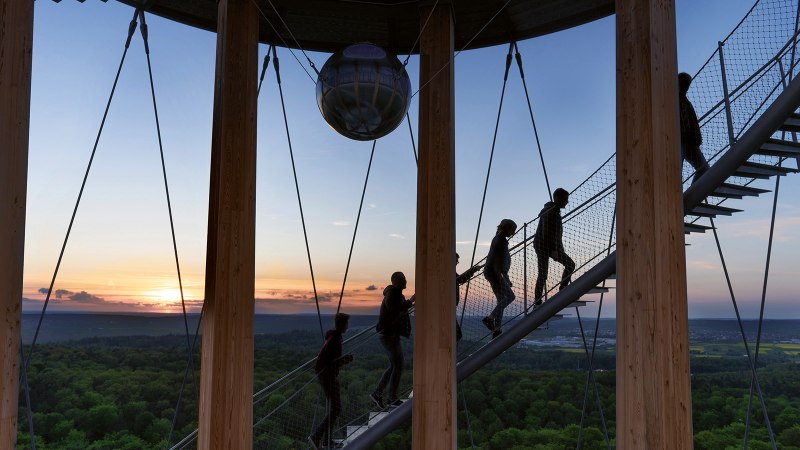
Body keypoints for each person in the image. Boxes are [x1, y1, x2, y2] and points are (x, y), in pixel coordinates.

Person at [308, 313, 354, 450]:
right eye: (347, 323)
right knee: (336, 408)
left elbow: (328, 359)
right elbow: (332, 363)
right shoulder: (335, 340)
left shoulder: (332, 337)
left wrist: (342, 360)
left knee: (333, 408)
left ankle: (327, 441)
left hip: (325, 375)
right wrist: (346, 360)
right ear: (343, 324)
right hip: (327, 376)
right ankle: (316, 436)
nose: (348, 326)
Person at [371, 272, 414, 409]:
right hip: (388, 336)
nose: (405, 280)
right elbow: (394, 309)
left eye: (404, 278)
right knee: (398, 365)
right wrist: (411, 301)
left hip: (391, 335)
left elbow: (397, 310)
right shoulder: (392, 294)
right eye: (402, 279)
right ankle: (390, 397)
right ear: (395, 281)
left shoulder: (396, 294)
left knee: (395, 365)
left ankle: (379, 393)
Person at [533, 188, 576, 305]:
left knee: (542, 273)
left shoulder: (551, 210)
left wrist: (556, 249)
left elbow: (552, 233)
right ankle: (562, 289)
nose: (567, 202)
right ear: (558, 198)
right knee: (570, 264)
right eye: (565, 199)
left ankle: (538, 300)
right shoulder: (551, 211)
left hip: (542, 245)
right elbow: (547, 232)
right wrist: (554, 250)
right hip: (545, 246)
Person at [482, 219, 517, 339]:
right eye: (513, 230)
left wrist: (505, 277)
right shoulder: (501, 240)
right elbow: (498, 259)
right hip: (494, 273)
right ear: (507, 228)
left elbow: (498, 258)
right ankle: (490, 318)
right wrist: (500, 276)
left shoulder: (497, 238)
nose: (513, 232)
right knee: (510, 297)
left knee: (501, 300)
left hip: (492, 272)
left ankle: (497, 329)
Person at [679, 72, 709, 184]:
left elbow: (693, 123)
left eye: (688, 84)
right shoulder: (673, 99)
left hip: (690, 142)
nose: (687, 86)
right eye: (685, 83)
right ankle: (681, 198)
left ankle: (691, 196)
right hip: (679, 140)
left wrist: (697, 138)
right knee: (676, 172)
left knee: (704, 169)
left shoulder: (686, 102)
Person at [455, 253, 483, 341]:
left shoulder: (448, 271)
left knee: (457, 334)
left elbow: (460, 279)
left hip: (448, 307)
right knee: (457, 334)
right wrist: (473, 270)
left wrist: (473, 270)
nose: (457, 262)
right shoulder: (447, 271)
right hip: (447, 307)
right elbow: (461, 279)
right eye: (456, 260)